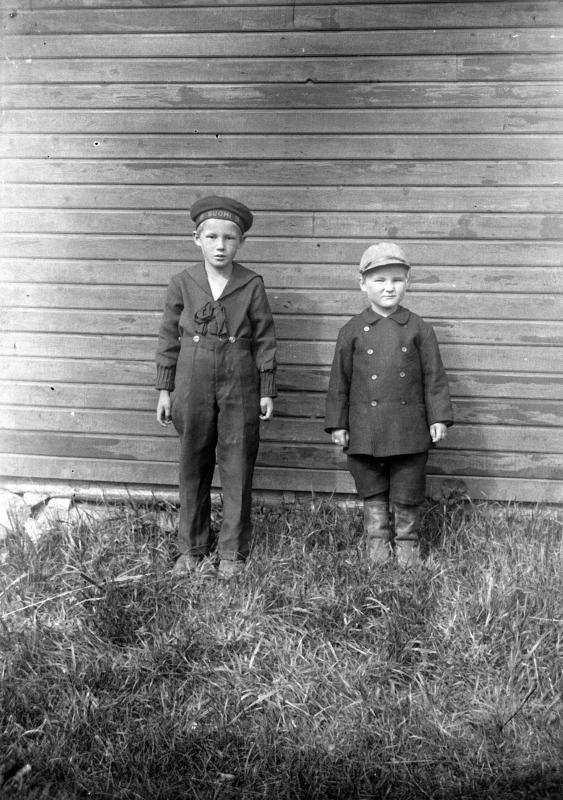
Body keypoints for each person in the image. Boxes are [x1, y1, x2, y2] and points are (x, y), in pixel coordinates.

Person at [155, 196, 277, 578]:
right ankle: (191, 547)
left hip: (239, 378)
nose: (220, 246)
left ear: (241, 242)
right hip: (191, 380)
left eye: (229, 238)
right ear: (197, 239)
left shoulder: (251, 284)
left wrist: (266, 388)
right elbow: (168, 338)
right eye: (212, 237)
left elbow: (265, 337)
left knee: (237, 461)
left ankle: (232, 552)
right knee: (193, 461)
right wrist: (165, 390)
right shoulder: (183, 282)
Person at [325, 242, 453, 567]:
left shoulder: (419, 329)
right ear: (362, 283)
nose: (389, 287)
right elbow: (339, 381)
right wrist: (338, 423)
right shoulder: (352, 331)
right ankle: (377, 545)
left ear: (408, 282)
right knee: (371, 486)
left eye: (397, 279)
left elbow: (434, 377)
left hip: (408, 426)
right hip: (365, 426)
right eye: (379, 280)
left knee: (408, 485)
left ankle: (408, 546)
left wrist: (438, 417)